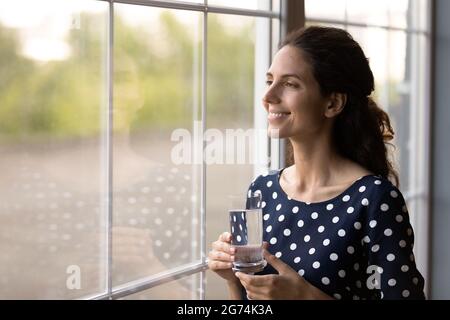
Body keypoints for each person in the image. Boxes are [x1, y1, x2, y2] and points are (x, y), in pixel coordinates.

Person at [208, 26, 425, 300]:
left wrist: (307, 296)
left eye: (290, 84)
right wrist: (232, 279)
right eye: (269, 81)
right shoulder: (261, 190)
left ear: (333, 103)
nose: (268, 97)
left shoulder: (375, 199)